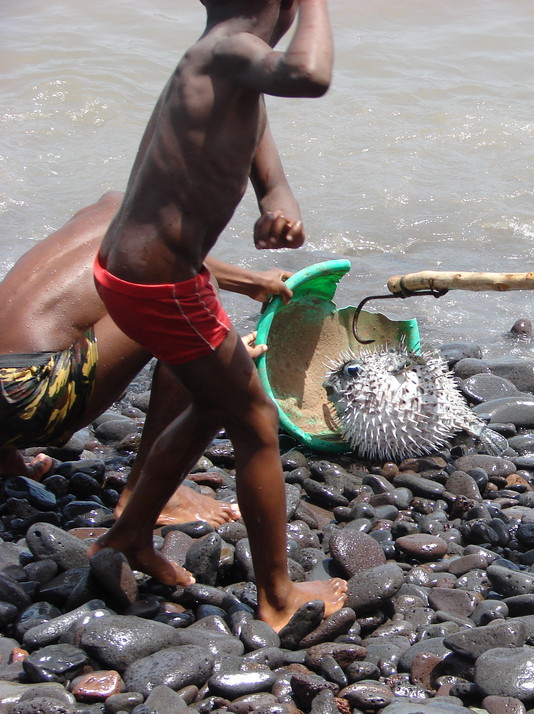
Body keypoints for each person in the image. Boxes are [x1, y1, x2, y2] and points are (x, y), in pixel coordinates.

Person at [89, 0, 346, 631]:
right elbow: (308, 76)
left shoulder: (218, 57)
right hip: (165, 283)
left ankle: (128, 537)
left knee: (214, 402)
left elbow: (254, 123)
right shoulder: (231, 50)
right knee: (255, 420)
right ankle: (278, 598)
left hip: (145, 275)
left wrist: (275, 194)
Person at [0, 191, 293, 527]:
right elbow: (180, 270)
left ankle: (5, 459)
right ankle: (153, 494)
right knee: (182, 302)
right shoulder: (158, 242)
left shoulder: (111, 206)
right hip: (29, 400)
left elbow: (161, 253)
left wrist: (253, 282)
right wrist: (218, 351)